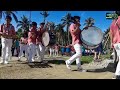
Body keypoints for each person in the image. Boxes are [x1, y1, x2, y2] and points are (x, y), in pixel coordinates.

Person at [110, 11, 120, 79]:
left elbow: (110, 33)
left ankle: (117, 73)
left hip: (115, 42)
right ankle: (117, 74)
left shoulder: (112, 23)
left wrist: (111, 43)